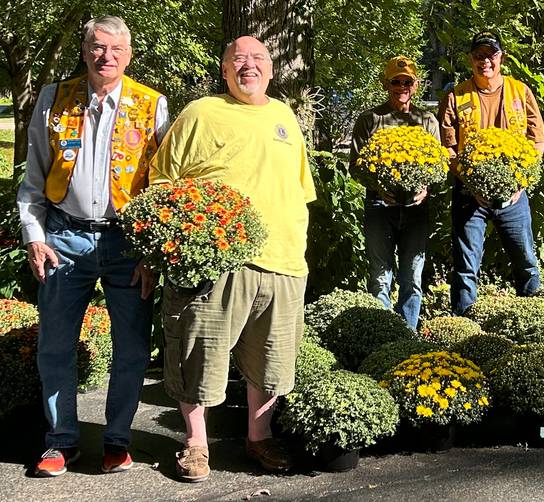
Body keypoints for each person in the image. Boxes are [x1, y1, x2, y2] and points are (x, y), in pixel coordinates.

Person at [150, 36, 316, 483]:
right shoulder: (201, 113)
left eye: (258, 58)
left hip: (282, 261)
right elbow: (162, 180)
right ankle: (196, 445)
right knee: (198, 354)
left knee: (272, 360)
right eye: (238, 59)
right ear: (224, 70)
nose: (249, 65)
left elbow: (301, 191)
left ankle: (258, 437)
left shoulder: (284, 117)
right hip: (216, 261)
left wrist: (298, 246)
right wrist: (183, 241)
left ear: (272, 69)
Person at [16, 15, 168, 477]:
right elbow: (33, 181)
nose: (107, 57)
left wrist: (152, 250)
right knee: (55, 344)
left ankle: (117, 440)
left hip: (128, 241)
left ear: (129, 54)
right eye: (98, 47)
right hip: (64, 235)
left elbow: (163, 185)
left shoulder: (152, 104)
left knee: (132, 347)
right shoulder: (52, 99)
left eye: (117, 49)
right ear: (84, 51)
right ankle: (60, 441)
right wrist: (35, 238)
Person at [438, 30, 544, 316]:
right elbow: (447, 147)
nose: (485, 61)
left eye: (491, 55)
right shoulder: (455, 95)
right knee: (465, 268)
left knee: (525, 263)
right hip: (469, 195)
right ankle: (464, 330)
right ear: (470, 59)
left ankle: (531, 322)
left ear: (502, 58)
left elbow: (537, 140)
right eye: (478, 56)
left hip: (515, 195)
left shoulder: (520, 91)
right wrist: (471, 182)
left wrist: (520, 182)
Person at [349, 56, 440, 330]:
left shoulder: (426, 120)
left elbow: (438, 164)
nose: (401, 86)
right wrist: (379, 188)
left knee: (412, 276)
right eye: (395, 82)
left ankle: (407, 335)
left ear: (416, 85)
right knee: (380, 276)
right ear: (385, 84)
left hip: (416, 208)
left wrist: (426, 187)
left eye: (407, 82)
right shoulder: (370, 120)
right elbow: (355, 166)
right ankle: (383, 334)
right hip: (380, 206)